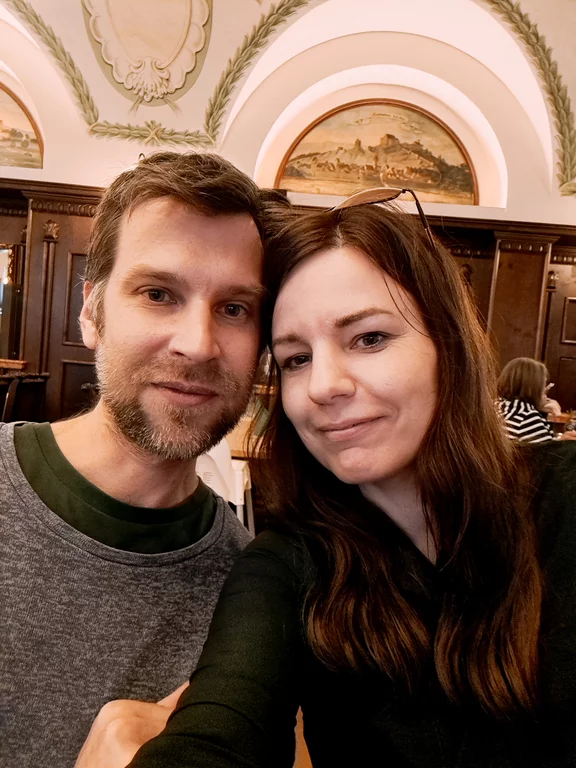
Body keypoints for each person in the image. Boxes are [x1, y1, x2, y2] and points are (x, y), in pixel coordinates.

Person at [77, 190, 576, 768]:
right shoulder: (288, 566)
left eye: (369, 339)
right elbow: (221, 731)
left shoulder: (564, 498)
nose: (323, 386)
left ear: (448, 345)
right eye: (297, 359)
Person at [0, 151, 269, 768]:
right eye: (158, 294)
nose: (198, 345)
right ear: (91, 312)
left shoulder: (254, 596)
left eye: (234, 308)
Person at [497, 357, 557, 443]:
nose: (545, 391)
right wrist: (557, 414)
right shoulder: (527, 417)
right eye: (543, 385)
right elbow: (548, 450)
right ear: (534, 388)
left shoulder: (496, 405)